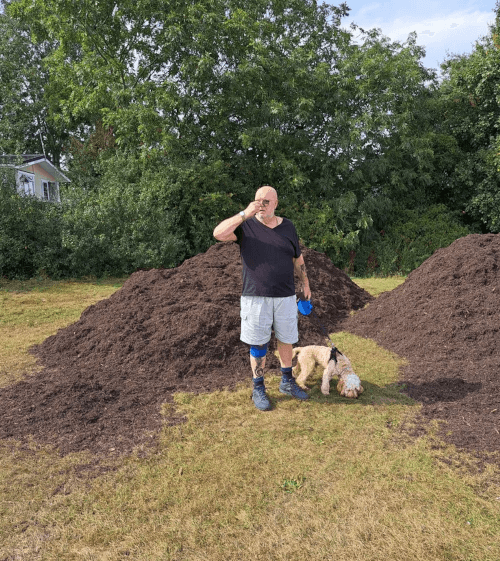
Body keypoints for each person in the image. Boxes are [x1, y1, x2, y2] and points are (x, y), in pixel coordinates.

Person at [213, 186, 312, 411]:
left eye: (267, 201)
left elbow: (298, 257)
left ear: (276, 203)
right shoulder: (246, 226)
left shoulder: (288, 227)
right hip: (256, 297)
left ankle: (287, 381)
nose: (262, 204)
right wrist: (244, 214)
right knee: (258, 343)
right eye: (258, 200)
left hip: (285, 296)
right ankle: (258, 387)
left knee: (287, 339)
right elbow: (218, 234)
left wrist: (305, 283)